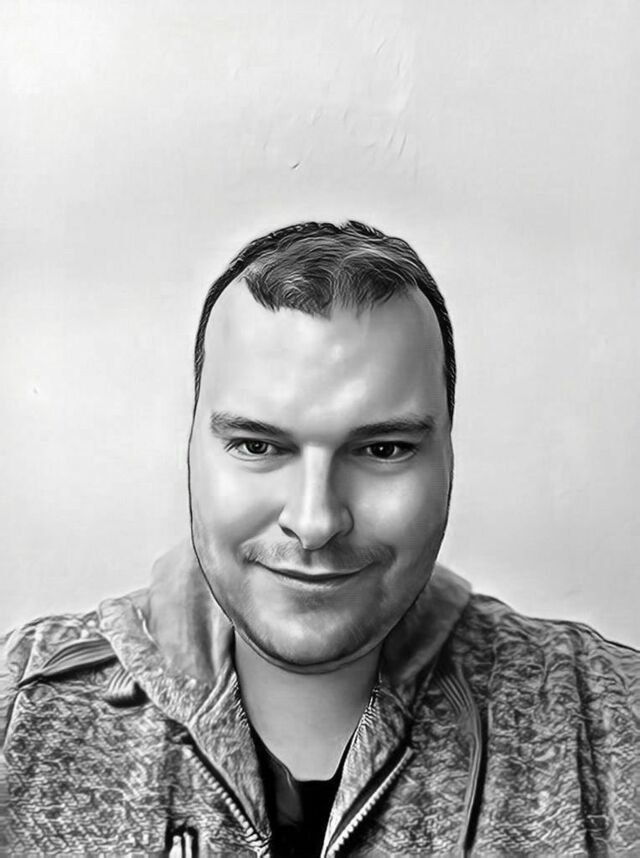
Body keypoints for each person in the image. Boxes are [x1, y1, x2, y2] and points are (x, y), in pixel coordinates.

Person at [1, 221, 639, 857]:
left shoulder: (614, 726)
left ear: (449, 459)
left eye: (384, 449)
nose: (314, 521)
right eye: (257, 446)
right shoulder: (17, 710)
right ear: (190, 453)